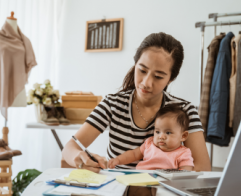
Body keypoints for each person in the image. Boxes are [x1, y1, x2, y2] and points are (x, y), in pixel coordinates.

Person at [62, 32, 211, 172]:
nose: (146, 83)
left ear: (170, 79)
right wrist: (79, 157)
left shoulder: (184, 111)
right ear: (135, 65)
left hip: (164, 191)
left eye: (158, 76)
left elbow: (203, 168)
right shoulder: (113, 104)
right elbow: (70, 147)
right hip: (117, 189)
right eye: (142, 70)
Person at [108, 104, 194, 170]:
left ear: (183, 136)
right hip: (142, 179)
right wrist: (117, 160)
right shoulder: (150, 143)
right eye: (157, 132)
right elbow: (133, 154)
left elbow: (185, 173)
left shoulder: (183, 153)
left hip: (165, 183)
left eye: (168, 132)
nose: (161, 136)